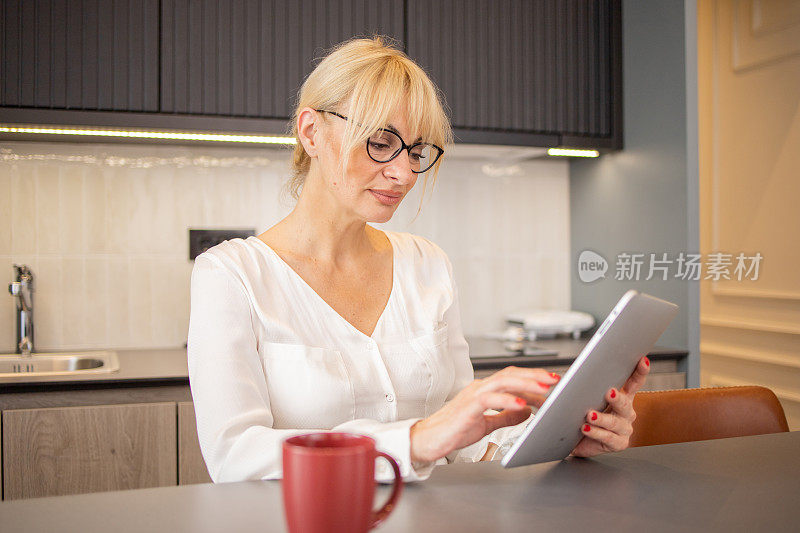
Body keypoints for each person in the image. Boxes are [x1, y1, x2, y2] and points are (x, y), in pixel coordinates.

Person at [187, 36, 650, 483]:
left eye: (416, 150)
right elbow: (234, 456)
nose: (404, 172)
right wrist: (414, 441)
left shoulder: (427, 265)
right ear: (311, 131)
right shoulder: (231, 275)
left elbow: (464, 439)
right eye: (381, 142)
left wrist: (559, 442)